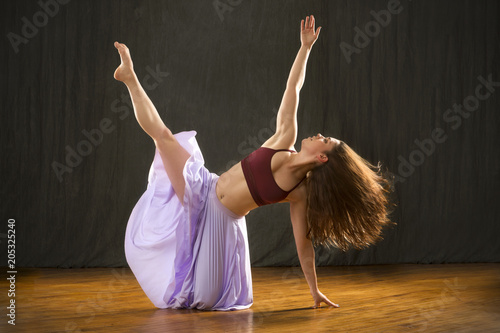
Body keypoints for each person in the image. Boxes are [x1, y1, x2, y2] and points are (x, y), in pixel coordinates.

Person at [115, 15, 392, 311]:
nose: (320, 135)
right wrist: (305, 49)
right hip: (205, 187)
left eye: (325, 140)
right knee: (164, 137)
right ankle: (129, 76)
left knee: (203, 300)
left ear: (322, 157)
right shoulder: (285, 139)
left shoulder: (300, 193)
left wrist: (315, 290)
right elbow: (293, 89)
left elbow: (304, 246)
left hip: (222, 222)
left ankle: (130, 77)